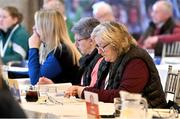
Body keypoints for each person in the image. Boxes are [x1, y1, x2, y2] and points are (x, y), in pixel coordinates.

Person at [65, 21, 167, 108]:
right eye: (97, 47)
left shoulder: (136, 61)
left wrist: (83, 91)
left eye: (102, 47)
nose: (99, 52)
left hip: (149, 112)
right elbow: (99, 89)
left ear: (115, 43)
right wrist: (78, 89)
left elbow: (123, 97)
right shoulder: (111, 58)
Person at [38, 17, 102, 87]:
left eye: (78, 40)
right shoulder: (86, 60)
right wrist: (53, 85)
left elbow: (88, 92)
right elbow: (76, 88)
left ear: (91, 41)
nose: (76, 45)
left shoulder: (99, 61)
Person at [28, 9, 81, 85]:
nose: (34, 28)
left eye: (37, 25)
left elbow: (36, 81)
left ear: (46, 29)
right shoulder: (59, 48)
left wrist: (33, 48)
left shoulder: (61, 51)